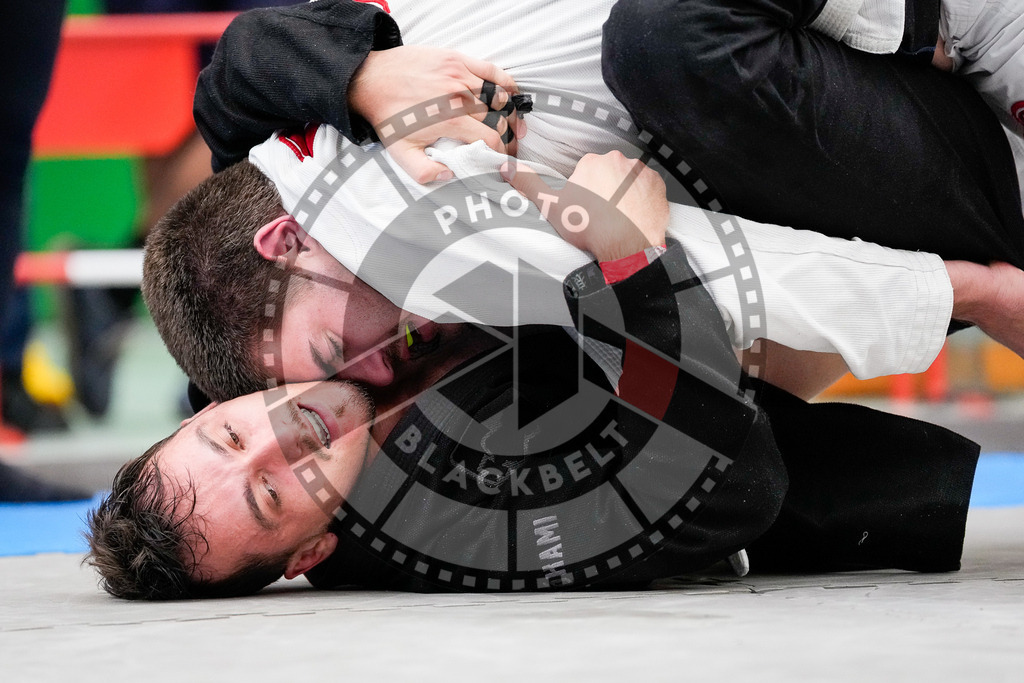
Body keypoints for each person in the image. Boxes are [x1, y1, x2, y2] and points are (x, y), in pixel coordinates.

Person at [88, 153, 979, 598]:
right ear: (310, 553)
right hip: (792, 392)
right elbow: (735, 487)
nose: (281, 441)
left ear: (208, 407)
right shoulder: (457, 530)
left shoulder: (259, 352)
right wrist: (630, 263)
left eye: (231, 433)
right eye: (272, 498)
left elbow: (251, 96)